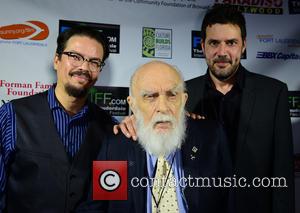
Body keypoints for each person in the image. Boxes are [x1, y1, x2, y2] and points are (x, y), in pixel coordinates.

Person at [114, 4, 294, 213]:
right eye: (214, 43)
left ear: (244, 45)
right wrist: (134, 120)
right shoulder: (178, 93)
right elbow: (155, 125)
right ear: (203, 46)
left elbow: (283, 168)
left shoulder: (273, 92)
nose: (222, 52)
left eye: (231, 43)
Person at [77, 60, 232, 213]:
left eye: (172, 95)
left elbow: (229, 201)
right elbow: (95, 208)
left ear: (183, 100)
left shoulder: (211, 137)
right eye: (150, 96)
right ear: (133, 105)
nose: (163, 107)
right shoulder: (116, 149)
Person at [0, 26, 114, 212]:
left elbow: (110, 199)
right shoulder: (12, 115)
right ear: (56, 60)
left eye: (94, 62)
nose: (84, 67)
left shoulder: (109, 128)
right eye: (75, 56)